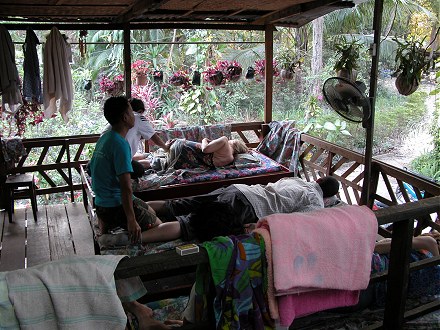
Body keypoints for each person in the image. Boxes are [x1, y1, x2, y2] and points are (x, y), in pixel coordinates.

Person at [89, 96, 180, 245]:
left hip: (102, 206)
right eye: (131, 112)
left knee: (151, 211)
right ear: (125, 117)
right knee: (162, 225)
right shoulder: (120, 144)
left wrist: (102, 219)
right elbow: (126, 187)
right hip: (116, 206)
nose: (135, 116)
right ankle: (122, 239)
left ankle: (113, 230)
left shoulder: (105, 139)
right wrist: (131, 220)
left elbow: (95, 172)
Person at [147, 176, 340, 241]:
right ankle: (139, 237)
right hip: (249, 207)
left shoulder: (298, 180)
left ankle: (139, 208)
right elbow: (294, 222)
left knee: (180, 204)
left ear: (319, 180)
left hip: (240, 190)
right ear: (328, 197)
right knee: (190, 224)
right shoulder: (316, 203)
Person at [164, 136, 249, 170]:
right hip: (187, 161)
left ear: (234, 143)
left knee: (174, 143)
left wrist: (204, 139)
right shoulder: (230, 158)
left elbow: (205, 149)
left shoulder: (225, 140)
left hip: (183, 149)